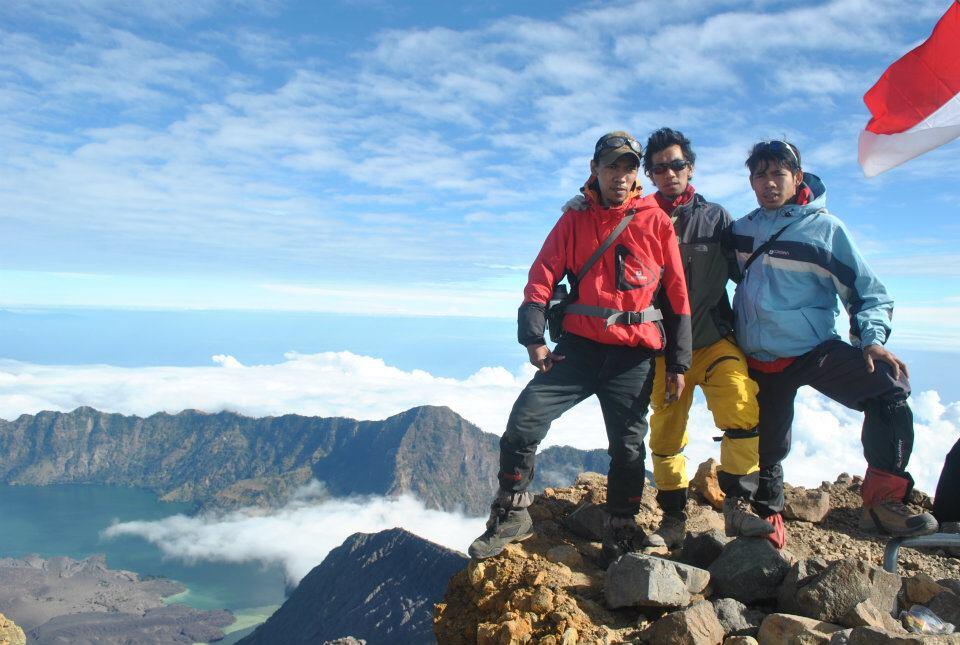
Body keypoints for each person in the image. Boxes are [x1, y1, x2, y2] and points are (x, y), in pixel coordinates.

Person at [468, 131, 692, 563]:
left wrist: (679, 363)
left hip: (633, 355)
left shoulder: (655, 221)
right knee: (524, 421)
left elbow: (678, 296)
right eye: (612, 166)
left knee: (627, 446)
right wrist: (533, 337)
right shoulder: (574, 220)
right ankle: (512, 512)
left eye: (629, 167)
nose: (621, 176)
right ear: (595, 169)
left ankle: (622, 524)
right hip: (579, 348)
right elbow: (542, 275)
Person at [731, 140, 937, 548]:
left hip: (812, 351)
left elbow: (868, 292)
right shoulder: (741, 229)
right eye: (760, 175)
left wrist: (871, 340)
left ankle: (883, 501)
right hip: (757, 355)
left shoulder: (826, 230)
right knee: (767, 445)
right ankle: (766, 515)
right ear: (751, 181)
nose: (769, 183)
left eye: (779, 174)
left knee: (889, 387)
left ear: (797, 177)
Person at [640, 128, 772, 549]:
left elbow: (748, 276)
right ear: (650, 175)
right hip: (662, 348)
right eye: (659, 168)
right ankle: (673, 515)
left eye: (676, 165)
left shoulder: (716, 218)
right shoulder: (639, 217)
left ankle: (737, 504)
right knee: (664, 433)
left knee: (740, 404)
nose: (668, 173)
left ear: (690, 168)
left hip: (714, 340)